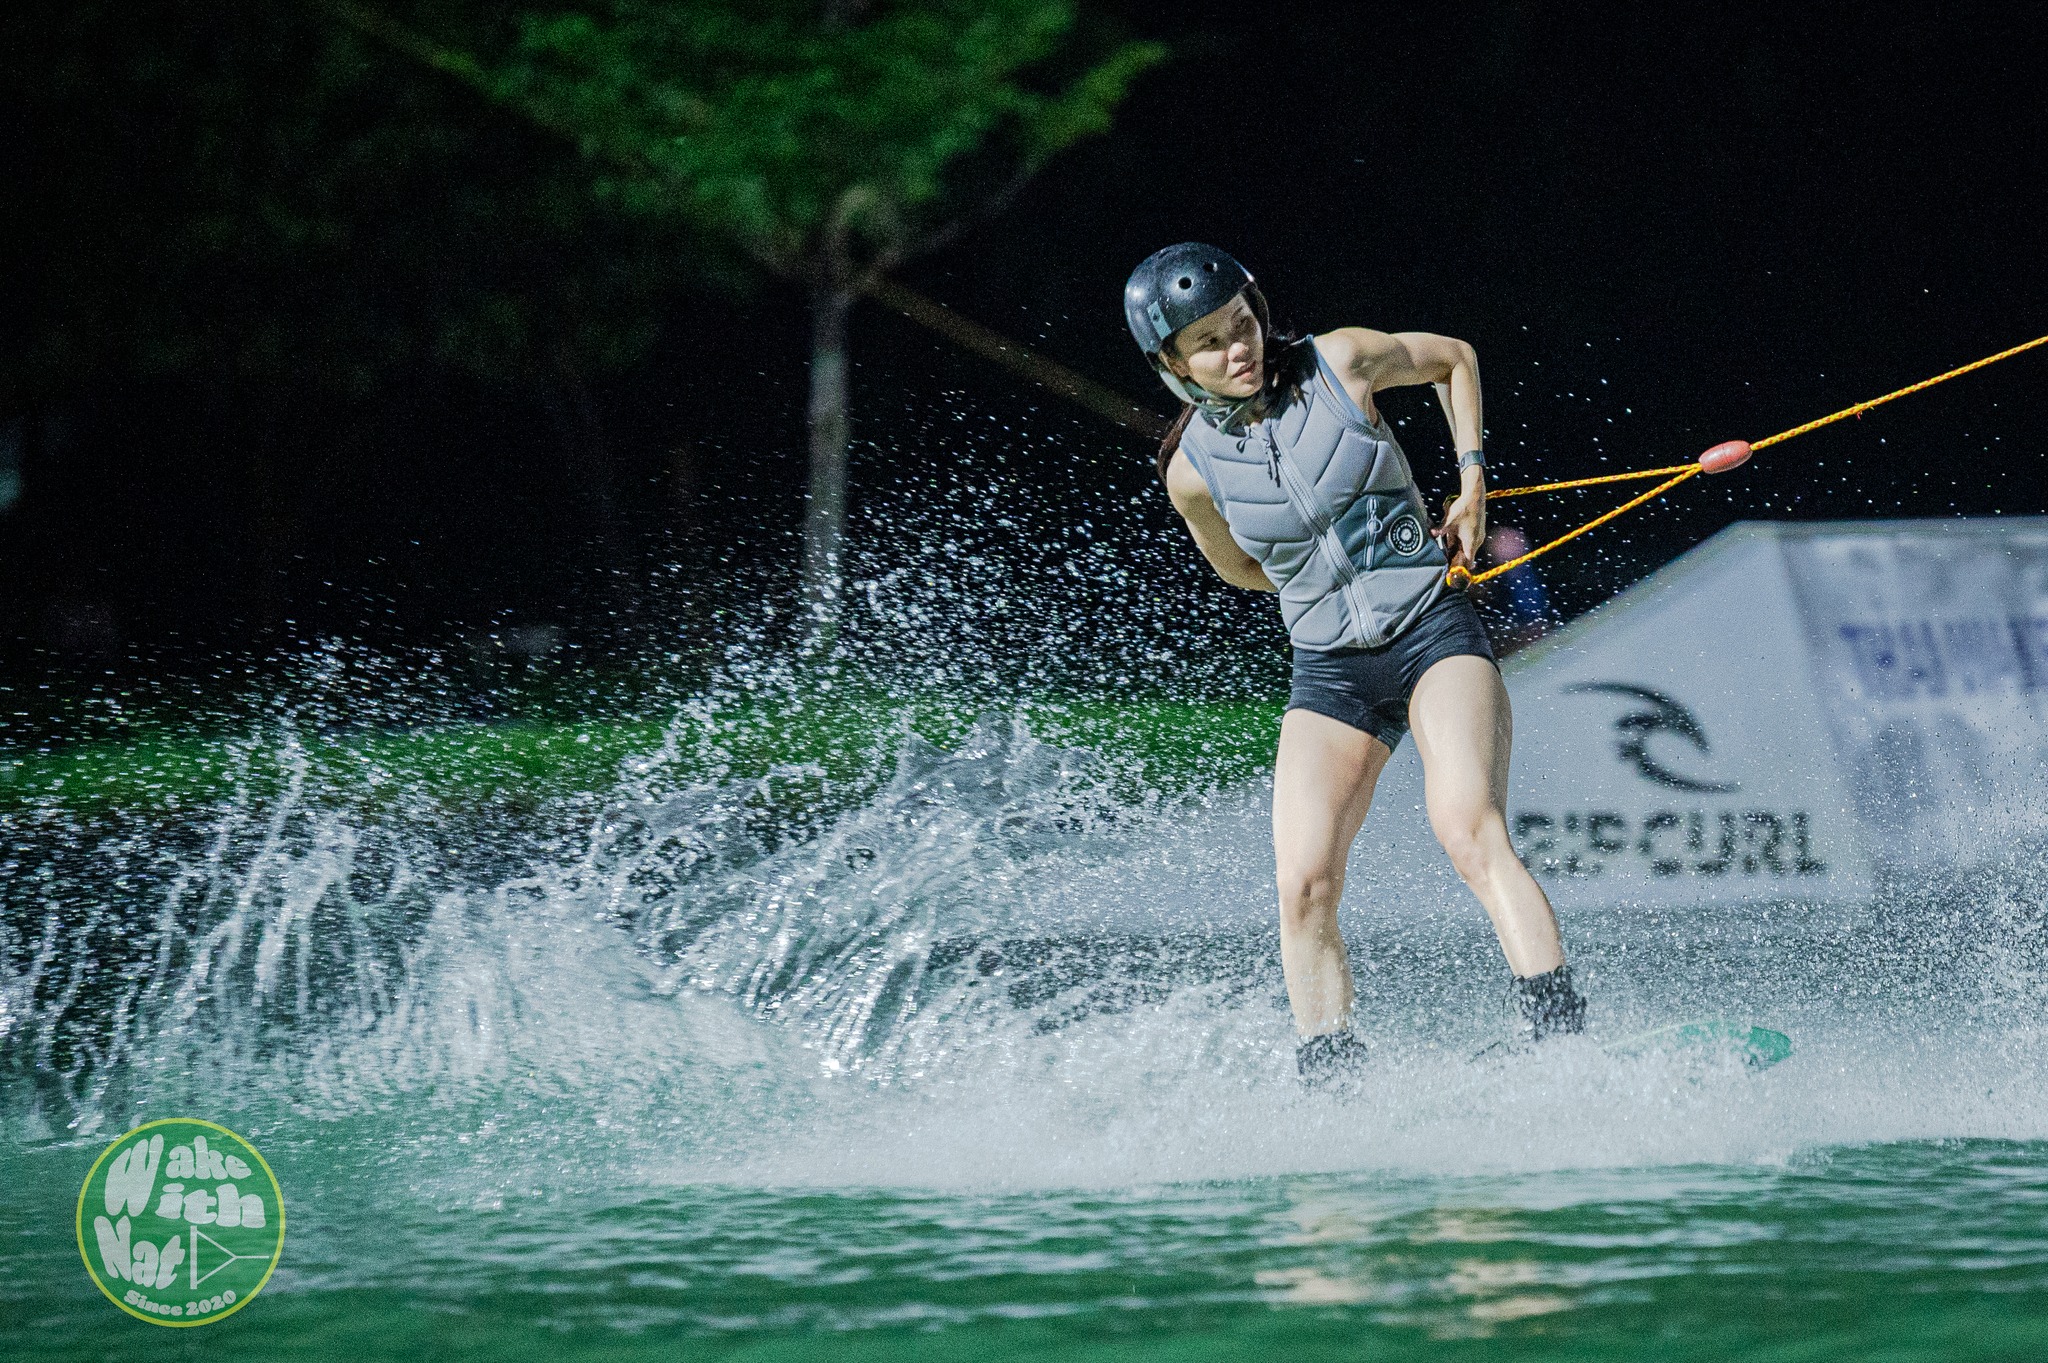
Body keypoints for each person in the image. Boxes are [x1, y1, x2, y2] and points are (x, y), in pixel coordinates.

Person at [1124, 243, 1585, 1083]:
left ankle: (1562, 1041)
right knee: (1302, 882)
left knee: (1468, 827)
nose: (1238, 348)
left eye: (1242, 324)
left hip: (1432, 631)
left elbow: (1454, 360)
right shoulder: (1190, 473)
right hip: (1330, 671)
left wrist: (1473, 480)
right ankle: (1333, 1084)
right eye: (1210, 343)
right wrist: (1318, 585)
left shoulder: (1338, 361)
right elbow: (1236, 565)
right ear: (1174, 364)